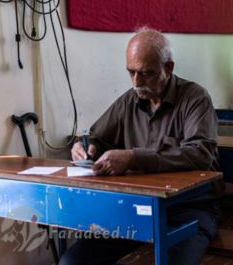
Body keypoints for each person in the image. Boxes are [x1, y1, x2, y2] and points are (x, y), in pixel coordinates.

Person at [59, 28, 222, 265]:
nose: (137, 81)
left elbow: (200, 155)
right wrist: (86, 147)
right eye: (131, 72)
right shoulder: (130, 100)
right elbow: (96, 137)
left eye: (146, 73)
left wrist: (133, 158)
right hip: (138, 207)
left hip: (190, 208)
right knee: (72, 261)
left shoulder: (195, 99)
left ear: (168, 68)